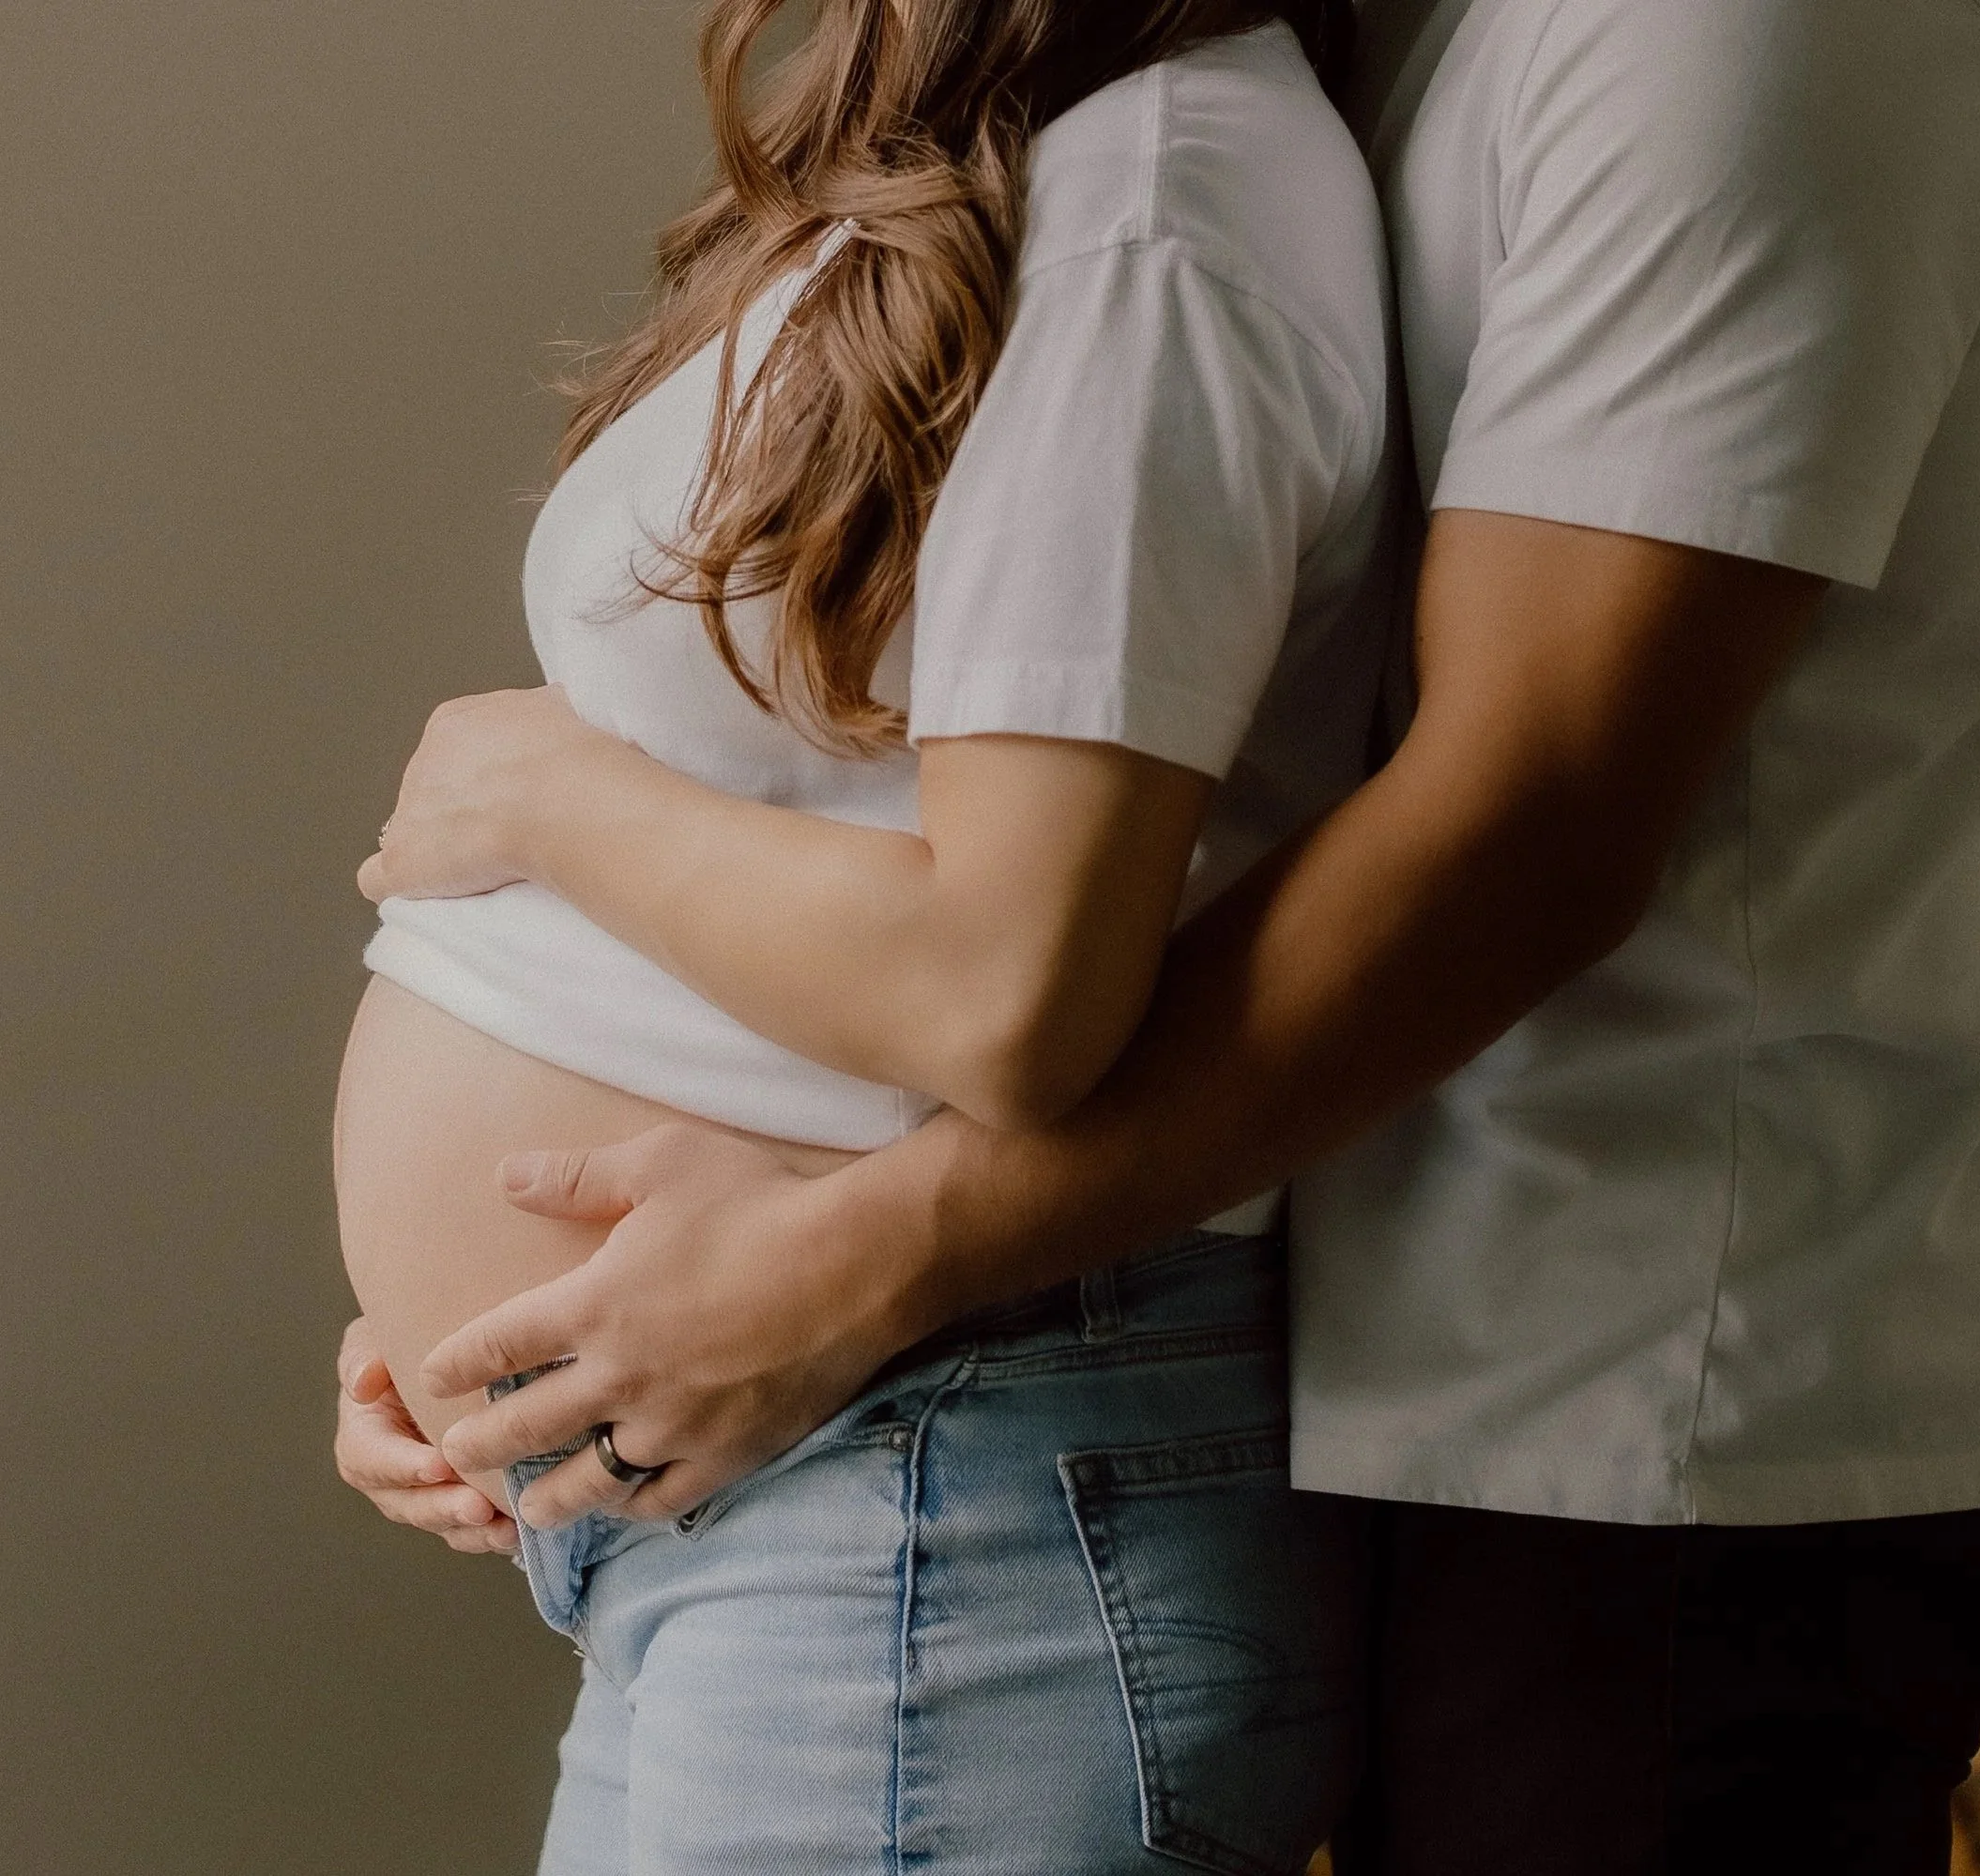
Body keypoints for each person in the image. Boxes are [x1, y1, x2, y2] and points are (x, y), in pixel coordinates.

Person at [343, 0, 1980, 1869]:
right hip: (1292, 1308)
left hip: (1648, 1371)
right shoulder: (1238, 76)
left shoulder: (1737, 30)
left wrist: (838, 1263)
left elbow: (1519, 826)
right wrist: (513, 1339)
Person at [332, 0, 1396, 1869]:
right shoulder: (976, 183)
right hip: (791, 1495)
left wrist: (544, 800)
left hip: (931, 1491)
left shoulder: (1154, 209)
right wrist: (483, 1351)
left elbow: (1002, 983)